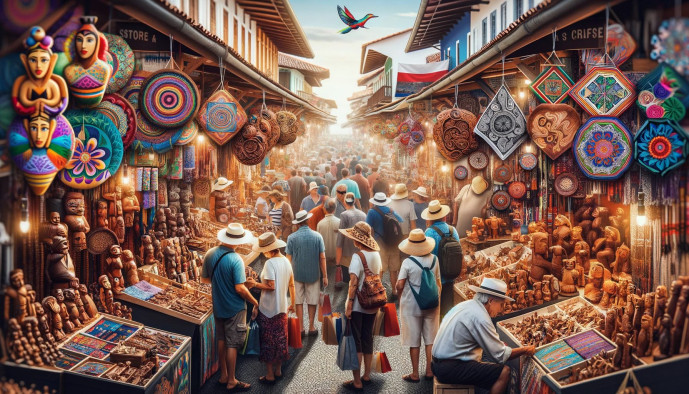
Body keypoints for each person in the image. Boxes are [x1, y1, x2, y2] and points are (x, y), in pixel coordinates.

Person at [431, 278, 536, 393]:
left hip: (437, 364)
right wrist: (525, 349)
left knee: (486, 363)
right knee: (504, 372)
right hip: (449, 369)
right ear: (490, 301)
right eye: (501, 304)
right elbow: (500, 355)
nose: (501, 310)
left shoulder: (466, 305)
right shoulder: (481, 317)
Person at [201, 223, 258, 392]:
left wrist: (221, 282)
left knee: (221, 339)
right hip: (234, 307)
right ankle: (232, 380)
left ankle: (224, 374)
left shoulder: (210, 254)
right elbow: (239, 288)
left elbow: (205, 279)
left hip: (218, 304)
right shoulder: (235, 259)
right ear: (238, 241)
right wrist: (255, 301)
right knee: (232, 343)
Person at [340, 222, 382, 391]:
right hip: (373, 302)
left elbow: (353, 282)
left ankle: (357, 382)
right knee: (368, 339)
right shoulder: (376, 255)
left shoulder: (358, 257)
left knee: (356, 342)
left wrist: (349, 304)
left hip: (358, 304)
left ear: (358, 240)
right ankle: (367, 375)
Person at [396, 229, 441, 383]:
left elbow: (400, 284)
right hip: (432, 305)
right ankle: (429, 370)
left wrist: (399, 294)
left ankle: (415, 374)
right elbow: (438, 283)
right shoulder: (434, 259)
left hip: (412, 306)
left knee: (414, 340)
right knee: (430, 340)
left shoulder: (407, 262)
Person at [250, 232, 295, 384]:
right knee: (281, 340)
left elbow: (271, 286)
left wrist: (254, 284)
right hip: (282, 307)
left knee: (268, 341)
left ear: (269, 250)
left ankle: (269, 374)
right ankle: (278, 370)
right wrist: (293, 303)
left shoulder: (270, 264)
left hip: (268, 308)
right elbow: (291, 284)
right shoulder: (286, 262)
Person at [285, 210, 327, 337]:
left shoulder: (291, 238)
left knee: (298, 300)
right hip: (313, 273)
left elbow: (288, 259)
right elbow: (322, 257)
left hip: (297, 273)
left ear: (297, 224)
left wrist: (288, 277)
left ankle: (301, 328)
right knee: (312, 299)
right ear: (308, 221)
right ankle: (312, 326)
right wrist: (325, 275)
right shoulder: (317, 236)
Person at [423, 200, 459, 315]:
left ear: (430, 218)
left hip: (435, 278)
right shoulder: (453, 230)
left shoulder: (429, 232)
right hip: (450, 276)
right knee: (448, 310)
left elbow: (426, 256)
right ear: (444, 216)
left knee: (435, 313)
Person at [366, 192, 403, 299]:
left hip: (380, 243)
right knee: (393, 270)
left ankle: (378, 291)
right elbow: (401, 220)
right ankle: (395, 291)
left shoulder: (372, 212)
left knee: (380, 269)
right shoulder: (390, 210)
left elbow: (367, 227)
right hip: (393, 243)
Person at [336, 192, 366, 287]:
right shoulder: (363, 214)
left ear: (345, 202)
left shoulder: (344, 215)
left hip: (347, 253)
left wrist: (337, 262)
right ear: (354, 201)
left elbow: (340, 238)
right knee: (359, 280)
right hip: (361, 252)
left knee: (348, 282)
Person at [317, 198, 340, 265]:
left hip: (324, 258)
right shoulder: (340, 222)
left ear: (324, 208)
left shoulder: (320, 224)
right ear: (334, 209)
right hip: (337, 258)